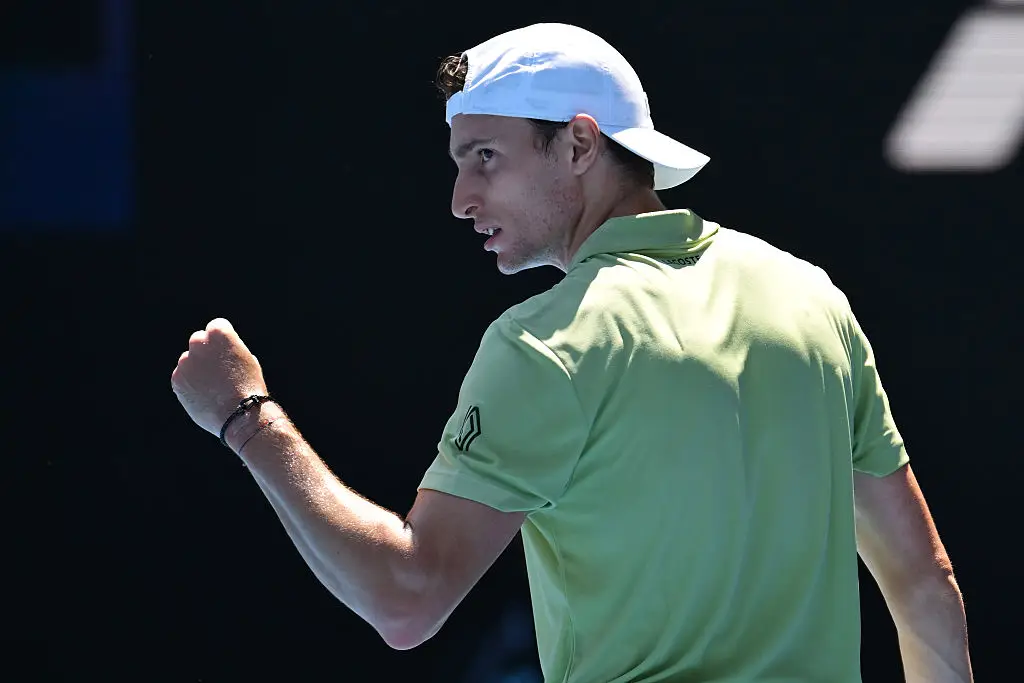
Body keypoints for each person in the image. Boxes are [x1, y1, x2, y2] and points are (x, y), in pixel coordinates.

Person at [170, 23, 973, 683]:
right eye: (458, 165)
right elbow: (925, 587)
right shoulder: (812, 300)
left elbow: (405, 600)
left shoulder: (547, 342)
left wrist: (248, 418)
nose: (460, 200)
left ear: (580, 144)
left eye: (486, 157)